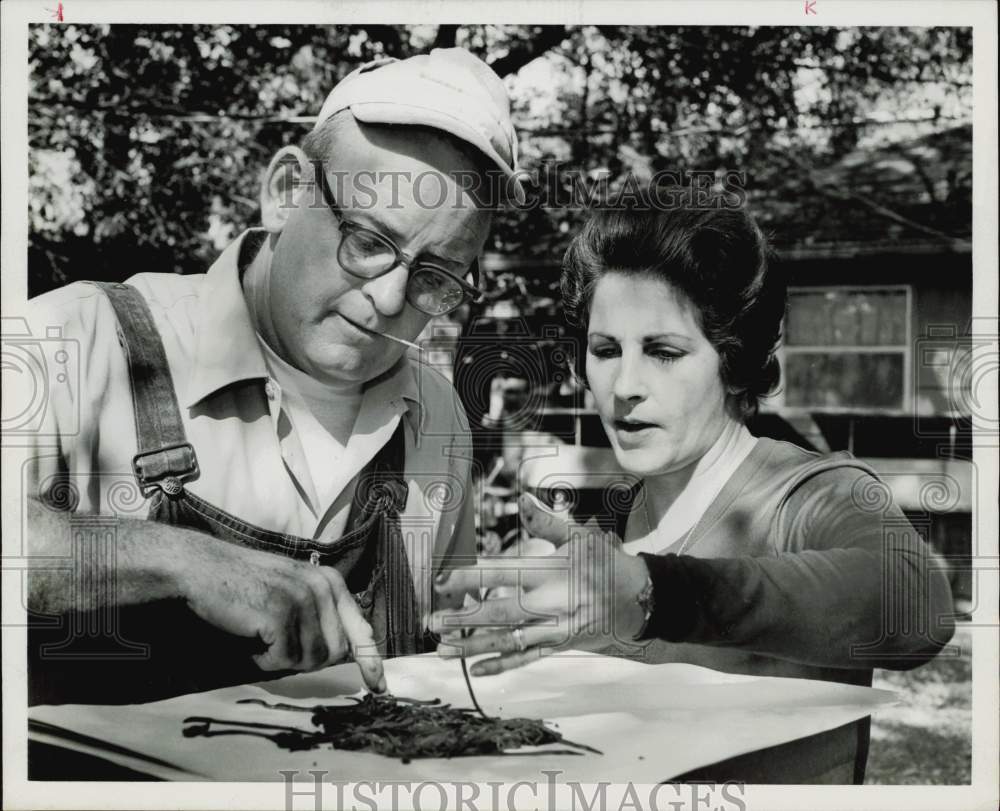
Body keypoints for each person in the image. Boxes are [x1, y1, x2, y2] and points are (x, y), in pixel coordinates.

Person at [22, 47, 522, 705]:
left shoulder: (439, 419)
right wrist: (185, 562)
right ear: (286, 191)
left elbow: (438, 666)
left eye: (436, 276)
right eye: (370, 241)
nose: (391, 298)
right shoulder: (72, 343)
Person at [428, 188, 956, 783]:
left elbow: (916, 608)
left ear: (732, 363)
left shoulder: (809, 494)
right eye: (605, 350)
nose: (625, 384)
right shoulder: (599, 542)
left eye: (664, 352)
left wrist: (654, 594)